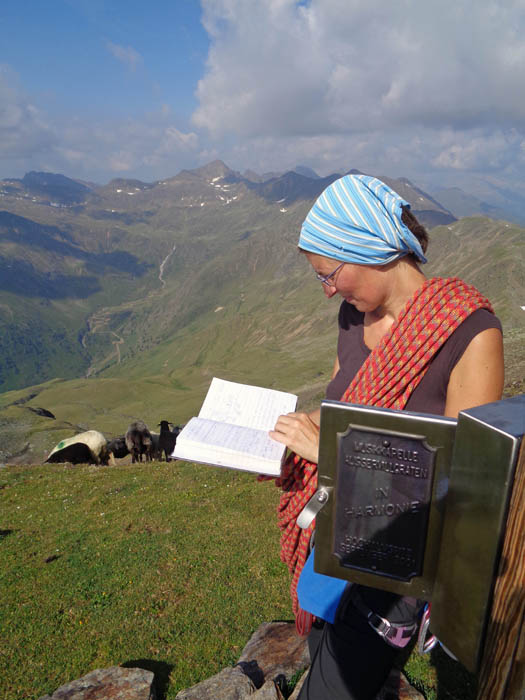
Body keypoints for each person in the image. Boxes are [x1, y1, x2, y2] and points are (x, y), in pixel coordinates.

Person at [268, 174, 504, 700]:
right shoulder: (353, 319)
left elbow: (465, 484)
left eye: (330, 274)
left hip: (397, 564)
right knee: (329, 657)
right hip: (333, 535)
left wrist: (329, 452)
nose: (328, 289)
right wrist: (292, 430)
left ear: (369, 250)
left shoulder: (470, 335)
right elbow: (340, 405)